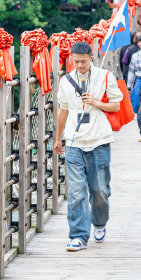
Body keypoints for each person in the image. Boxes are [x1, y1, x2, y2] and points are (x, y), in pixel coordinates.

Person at [55, 41, 123, 251]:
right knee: (76, 192)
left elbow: (116, 104)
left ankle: (100, 223)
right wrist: (59, 138)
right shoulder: (65, 81)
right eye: (75, 62)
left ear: (91, 58)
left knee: (99, 190)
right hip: (74, 142)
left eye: (83, 62)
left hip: (99, 141)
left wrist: (96, 102)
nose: (79, 65)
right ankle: (78, 236)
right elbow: (63, 110)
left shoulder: (104, 76)